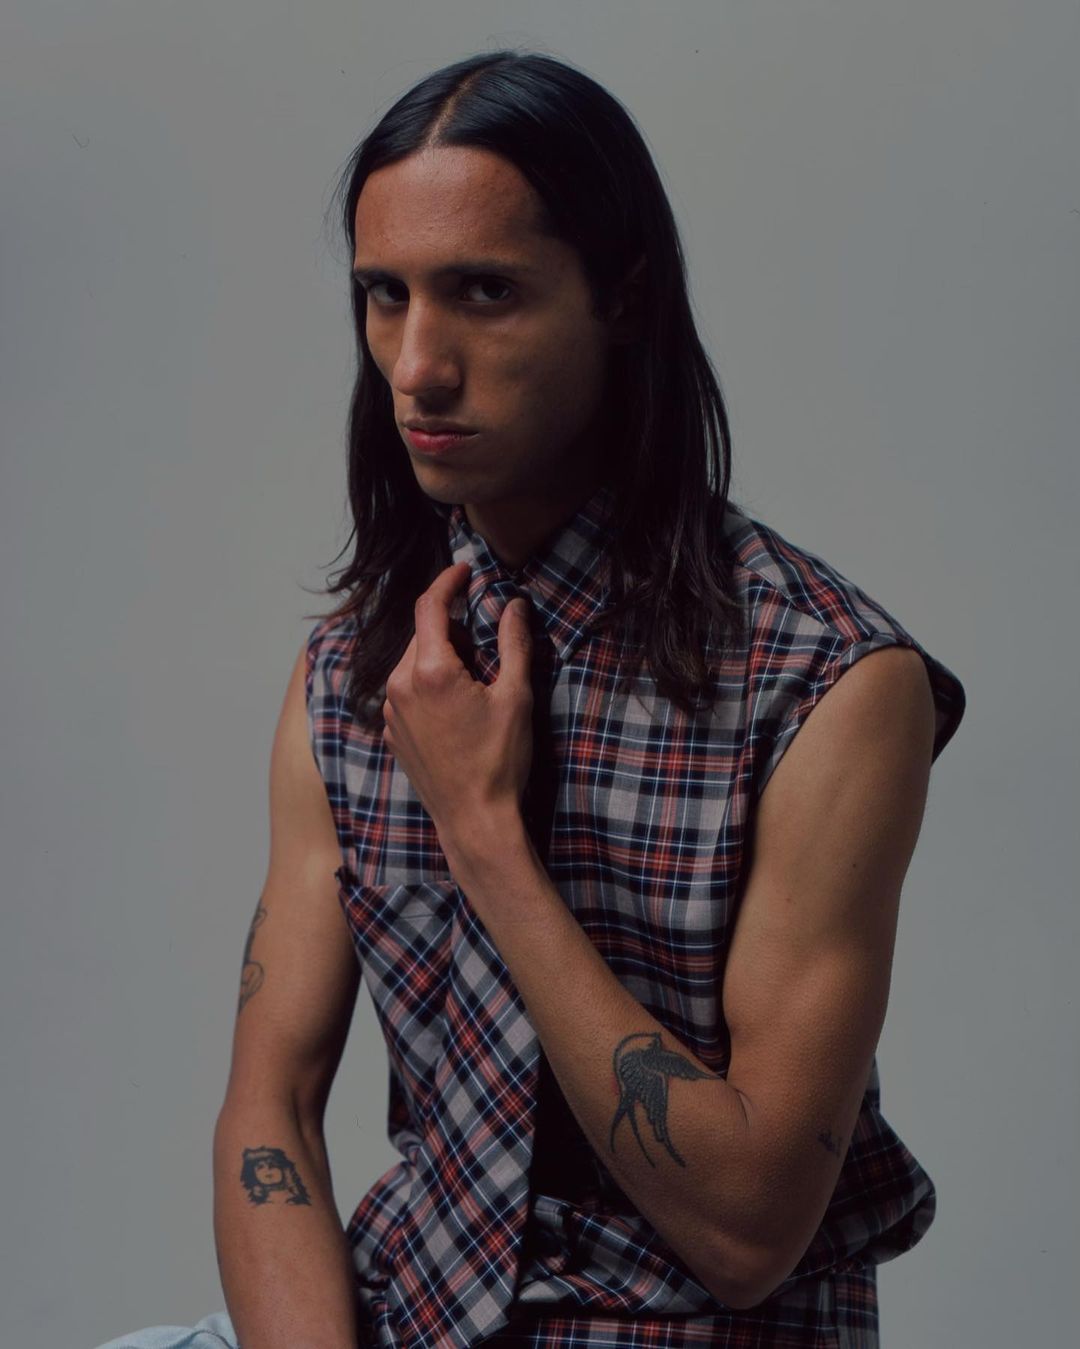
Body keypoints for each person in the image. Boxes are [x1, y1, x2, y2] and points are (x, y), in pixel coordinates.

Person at [97, 48, 965, 1349]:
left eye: (484, 293)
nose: (416, 366)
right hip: (401, 1311)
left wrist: (483, 834)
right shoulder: (354, 674)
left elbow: (748, 1233)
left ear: (622, 297)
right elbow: (270, 1108)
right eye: (384, 296)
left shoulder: (828, 685)